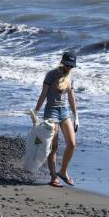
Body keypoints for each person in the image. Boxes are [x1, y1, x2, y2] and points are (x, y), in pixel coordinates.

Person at [34, 51, 80, 187]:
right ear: (62, 62)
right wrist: (36, 111)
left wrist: (76, 116)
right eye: (67, 65)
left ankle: (63, 171)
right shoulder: (51, 74)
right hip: (51, 111)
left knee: (72, 144)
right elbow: (44, 94)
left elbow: (71, 97)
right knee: (54, 146)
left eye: (71, 66)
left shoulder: (70, 76)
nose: (69, 68)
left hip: (64, 111)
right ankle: (53, 177)